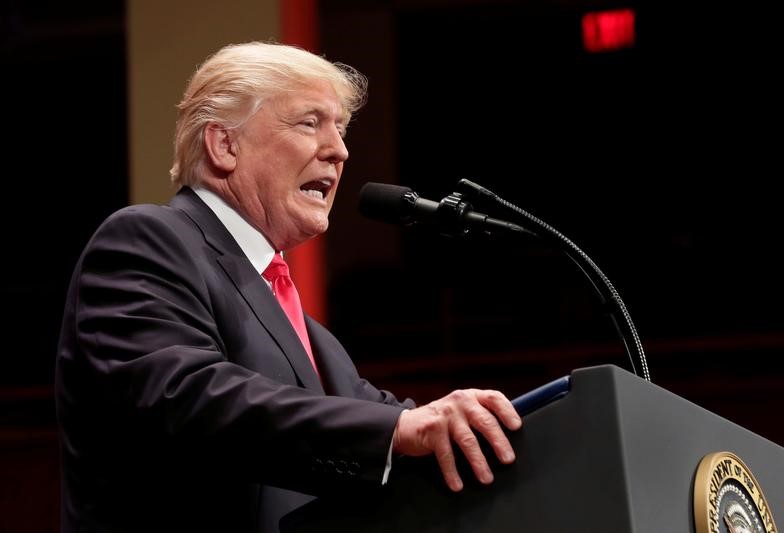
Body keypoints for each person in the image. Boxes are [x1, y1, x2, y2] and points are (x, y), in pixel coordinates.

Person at [55, 40, 522, 533]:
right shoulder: (146, 239)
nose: (339, 150)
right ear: (224, 145)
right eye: (309, 122)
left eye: (339, 128)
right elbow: (184, 395)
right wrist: (399, 429)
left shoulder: (316, 341)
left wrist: (458, 422)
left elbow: (384, 427)